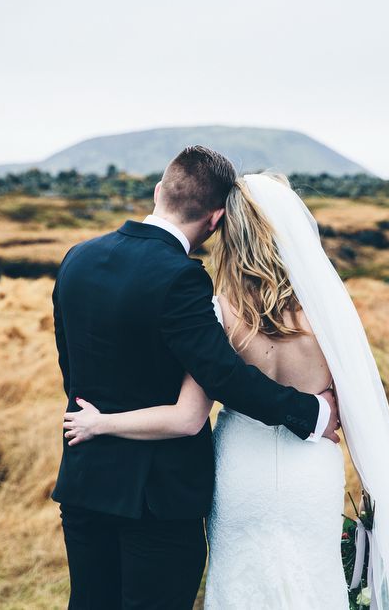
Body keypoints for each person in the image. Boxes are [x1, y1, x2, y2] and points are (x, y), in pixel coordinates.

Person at [64, 172, 389, 609]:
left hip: (240, 469)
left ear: (228, 229)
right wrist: (374, 489)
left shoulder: (219, 309)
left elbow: (191, 411)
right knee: (313, 578)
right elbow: (358, 413)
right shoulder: (327, 312)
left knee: (241, 580)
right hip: (310, 467)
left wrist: (102, 422)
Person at [51, 147, 339, 610]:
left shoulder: (77, 258)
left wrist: (100, 422)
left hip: (86, 480)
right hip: (158, 499)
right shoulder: (181, 278)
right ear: (216, 219)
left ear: (158, 191)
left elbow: (72, 368)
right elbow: (222, 375)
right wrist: (311, 411)